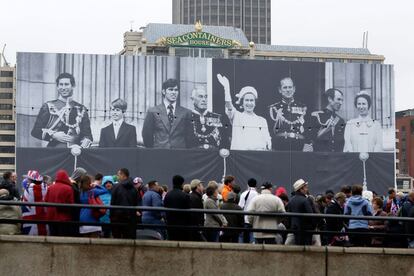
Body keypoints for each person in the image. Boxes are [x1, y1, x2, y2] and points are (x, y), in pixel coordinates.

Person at [31, 73, 93, 148]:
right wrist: (53, 135)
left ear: (73, 86)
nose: (63, 88)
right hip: (53, 152)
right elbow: (35, 131)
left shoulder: (81, 108)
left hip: (75, 153)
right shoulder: (48, 106)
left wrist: (80, 147)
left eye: (66, 84)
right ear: (57, 87)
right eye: (61, 84)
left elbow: (88, 136)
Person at [217, 74, 271, 151]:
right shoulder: (237, 116)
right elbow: (229, 106)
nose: (249, 103)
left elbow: (267, 140)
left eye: (251, 100)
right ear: (242, 102)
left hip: (259, 156)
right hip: (241, 157)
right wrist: (227, 89)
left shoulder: (262, 120)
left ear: (255, 103)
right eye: (246, 100)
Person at [142, 78, 193, 149]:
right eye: (170, 89)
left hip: (180, 153)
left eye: (176, 90)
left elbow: (189, 137)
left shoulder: (186, 113)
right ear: (163, 91)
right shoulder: (153, 111)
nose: (173, 92)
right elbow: (147, 135)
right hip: (160, 153)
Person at [268, 77, 307, 151]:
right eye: (285, 87)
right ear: (280, 90)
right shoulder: (274, 108)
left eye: (290, 87)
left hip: (300, 146)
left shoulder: (303, 107)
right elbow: (270, 130)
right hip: (280, 146)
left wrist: (308, 144)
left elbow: (308, 128)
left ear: (294, 89)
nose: (288, 90)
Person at [110, 168, 139, 239]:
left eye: (118, 175)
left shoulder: (116, 187)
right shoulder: (134, 189)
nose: (117, 177)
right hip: (130, 219)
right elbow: (136, 203)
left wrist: (111, 216)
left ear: (123, 175)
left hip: (117, 218)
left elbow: (112, 203)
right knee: (129, 241)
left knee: (117, 240)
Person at [44, 170, 75, 236]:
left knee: (52, 237)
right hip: (63, 218)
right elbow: (71, 203)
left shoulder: (51, 187)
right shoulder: (68, 188)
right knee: (62, 239)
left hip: (51, 217)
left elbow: (46, 200)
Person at [286, 179, 315, 245]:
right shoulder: (305, 200)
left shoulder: (291, 200)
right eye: (305, 187)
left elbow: (288, 216)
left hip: (294, 228)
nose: (307, 189)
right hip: (305, 229)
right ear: (301, 189)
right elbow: (311, 216)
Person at [163, 175, 192, 241]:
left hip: (170, 224)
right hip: (183, 226)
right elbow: (189, 211)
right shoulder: (185, 195)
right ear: (182, 184)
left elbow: (165, 207)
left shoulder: (168, 195)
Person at [21, 170, 48, 236]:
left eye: (28, 179)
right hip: (44, 225)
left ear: (31, 180)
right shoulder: (46, 189)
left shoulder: (27, 192)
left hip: (29, 225)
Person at [238, 178, 259, 243]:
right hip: (255, 220)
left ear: (247, 185)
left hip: (245, 219)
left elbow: (240, 206)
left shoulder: (244, 194)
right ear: (256, 185)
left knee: (243, 239)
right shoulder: (258, 195)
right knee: (253, 239)